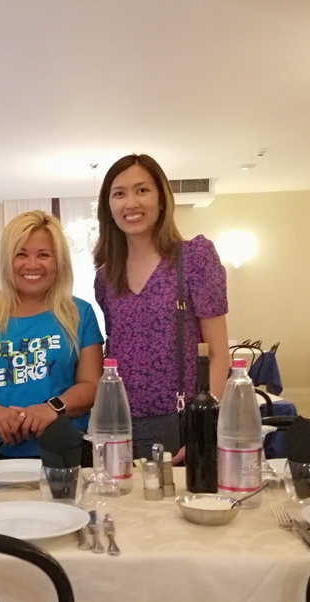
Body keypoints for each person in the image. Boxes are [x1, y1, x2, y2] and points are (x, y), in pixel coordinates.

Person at [93, 153, 230, 460]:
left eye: (142, 190)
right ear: (109, 207)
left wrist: (203, 429)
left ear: (162, 200)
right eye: (119, 193)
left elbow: (219, 353)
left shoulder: (195, 258)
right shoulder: (106, 277)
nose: (131, 203)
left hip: (183, 424)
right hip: (122, 426)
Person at [0, 211, 104, 458]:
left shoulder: (80, 313)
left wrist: (52, 408)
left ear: (59, 261)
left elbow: (92, 384)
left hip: (63, 451)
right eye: (21, 254)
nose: (32, 265)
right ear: (7, 260)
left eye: (43, 255)